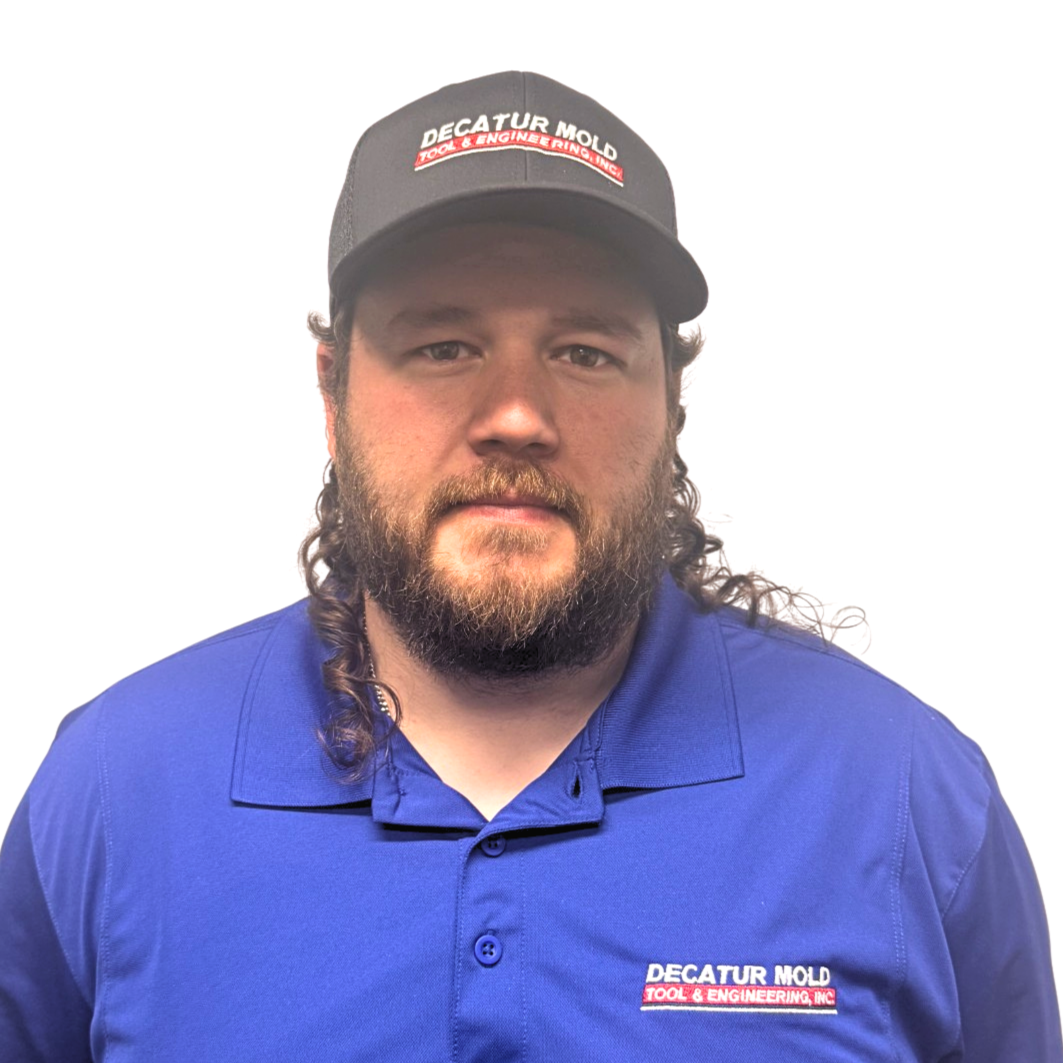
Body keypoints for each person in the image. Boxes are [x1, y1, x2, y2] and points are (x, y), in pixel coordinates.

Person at [0, 70, 1059, 1062]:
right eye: (443, 347)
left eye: (584, 351)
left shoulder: (902, 798)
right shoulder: (115, 791)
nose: (515, 415)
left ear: (671, 400)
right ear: (332, 392)